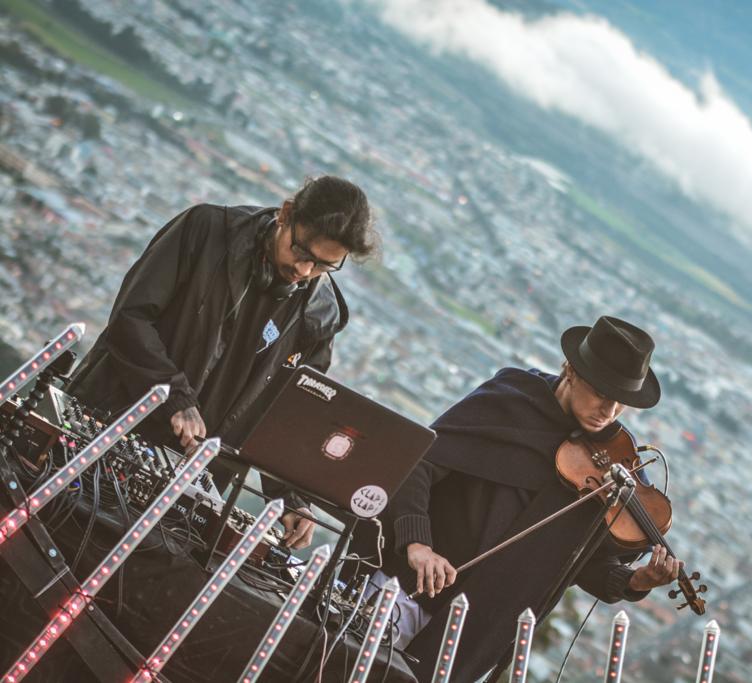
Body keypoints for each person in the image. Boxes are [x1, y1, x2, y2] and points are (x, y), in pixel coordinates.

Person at [68, 175, 377, 549]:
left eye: (325, 266)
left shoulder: (320, 313)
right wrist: (175, 396)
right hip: (102, 429)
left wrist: (290, 498)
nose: (305, 272)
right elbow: (131, 317)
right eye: (302, 253)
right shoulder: (207, 231)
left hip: (190, 485)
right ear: (286, 214)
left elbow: (288, 410)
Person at [377, 316, 682, 682]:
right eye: (601, 393)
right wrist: (417, 544)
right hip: (402, 589)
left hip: (474, 634)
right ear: (569, 370)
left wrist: (636, 581)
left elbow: (584, 565)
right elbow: (421, 462)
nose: (610, 411)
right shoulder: (511, 399)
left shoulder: (616, 465)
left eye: (622, 402)